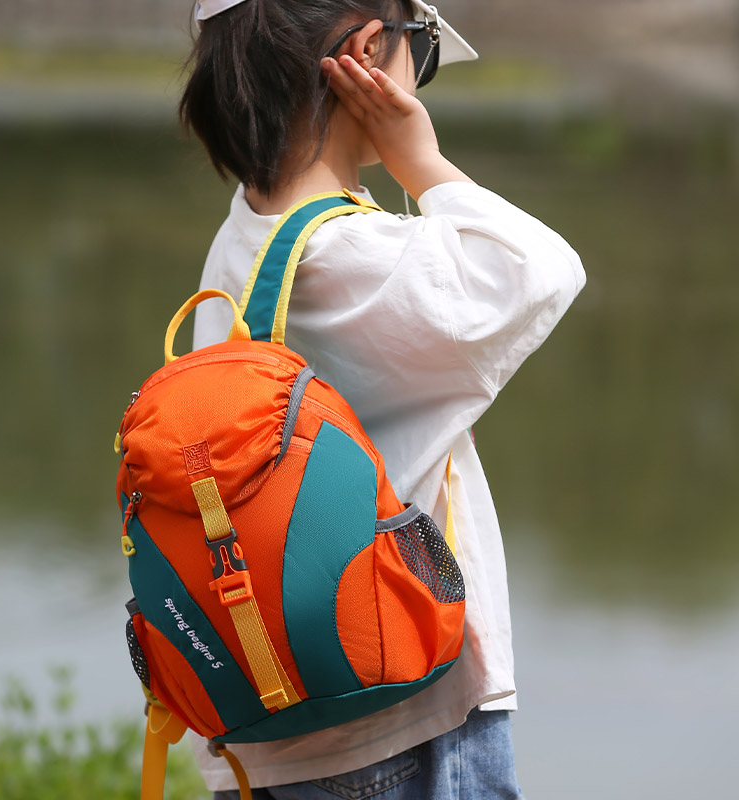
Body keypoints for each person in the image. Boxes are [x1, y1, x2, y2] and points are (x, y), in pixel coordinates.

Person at [181, 0, 586, 797]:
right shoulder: (349, 259)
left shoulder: (248, 238)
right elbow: (544, 271)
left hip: (274, 718)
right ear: (370, 53)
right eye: (422, 53)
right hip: (399, 723)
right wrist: (422, 163)